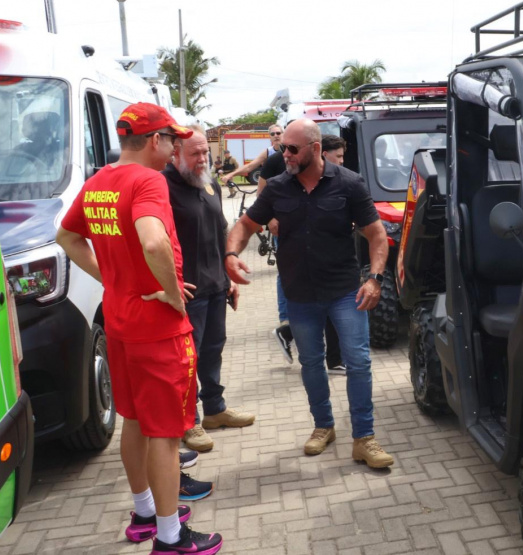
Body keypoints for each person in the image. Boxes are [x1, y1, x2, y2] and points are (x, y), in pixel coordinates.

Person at [55, 102, 222, 554]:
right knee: (165, 435)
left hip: (122, 322)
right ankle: (171, 538)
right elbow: (153, 240)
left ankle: (145, 512)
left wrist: (111, 279)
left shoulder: (99, 182)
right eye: (171, 140)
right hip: (158, 328)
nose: (174, 149)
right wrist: (169, 291)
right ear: (154, 141)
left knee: (134, 421)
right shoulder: (148, 182)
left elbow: (67, 237)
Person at [225, 119, 394, 468]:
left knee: (358, 362)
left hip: (346, 291)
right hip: (300, 294)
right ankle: (323, 426)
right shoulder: (276, 188)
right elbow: (245, 225)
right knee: (311, 363)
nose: (283, 153)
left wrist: (375, 279)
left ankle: (364, 438)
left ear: (315, 150)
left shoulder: (349, 183)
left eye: (291, 148)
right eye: (281, 147)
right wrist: (230, 256)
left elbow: (376, 234)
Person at [163, 125, 256, 454]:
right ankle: (189, 422)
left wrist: (228, 275)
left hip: (216, 285)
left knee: (213, 350)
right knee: (188, 360)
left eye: (206, 152)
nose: (203, 159)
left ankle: (215, 410)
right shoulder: (163, 186)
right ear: (175, 153)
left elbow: (220, 231)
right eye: (195, 154)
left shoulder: (209, 181)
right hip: (187, 292)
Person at [270, 134, 345, 373]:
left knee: (328, 307)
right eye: (339, 156)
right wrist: (270, 218)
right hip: (302, 257)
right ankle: (290, 330)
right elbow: (263, 193)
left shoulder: (341, 180)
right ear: (321, 152)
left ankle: (333, 358)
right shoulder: (278, 169)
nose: (287, 154)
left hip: (330, 262)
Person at [219, 124, 283, 197]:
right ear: (270, 137)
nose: (275, 135)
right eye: (272, 134)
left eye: (278, 133)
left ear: (283, 134)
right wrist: (230, 174)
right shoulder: (268, 151)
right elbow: (249, 166)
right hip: (274, 190)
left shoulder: (289, 149)